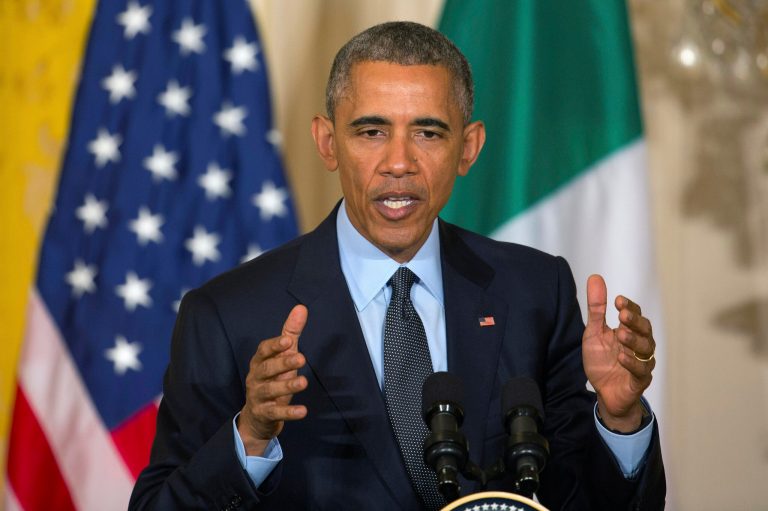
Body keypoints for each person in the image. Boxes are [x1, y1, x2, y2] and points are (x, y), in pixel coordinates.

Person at [130, 21, 665, 510]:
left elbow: (583, 502)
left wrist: (618, 421)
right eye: (372, 132)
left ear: (469, 148)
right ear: (327, 141)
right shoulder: (229, 315)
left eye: (429, 133)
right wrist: (248, 436)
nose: (400, 163)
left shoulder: (533, 291)